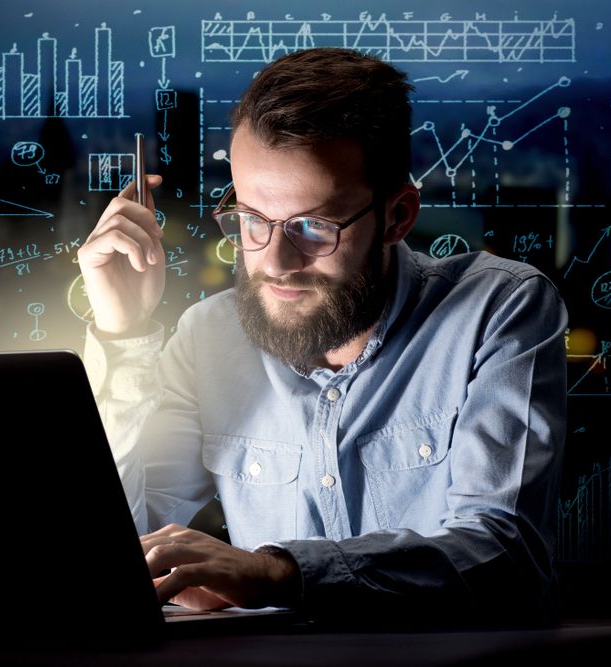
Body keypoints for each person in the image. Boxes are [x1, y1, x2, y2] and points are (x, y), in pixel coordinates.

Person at [76, 47, 567, 624]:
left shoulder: (497, 309)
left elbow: (506, 559)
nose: (276, 261)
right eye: (252, 219)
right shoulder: (206, 337)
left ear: (398, 216)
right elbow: (120, 554)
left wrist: (278, 572)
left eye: (315, 226)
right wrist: (123, 334)